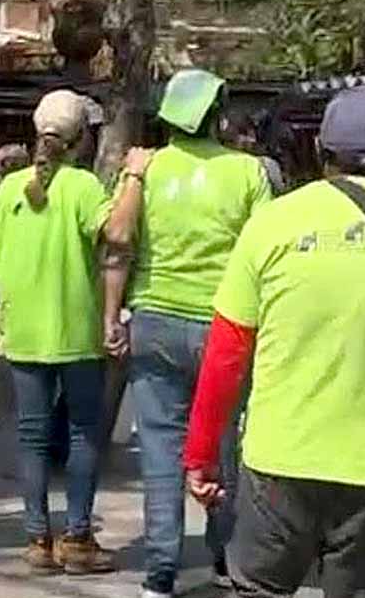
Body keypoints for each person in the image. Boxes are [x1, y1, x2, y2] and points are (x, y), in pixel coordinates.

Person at [184, 86, 365, 598]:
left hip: (279, 463)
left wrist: (201, 453)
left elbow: (226, 353)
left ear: (321, 152)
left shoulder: (274, 223)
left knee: (257, 589)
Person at [105, 70, 274, 598]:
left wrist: (112, 317)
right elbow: (265, 254)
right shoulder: (249, 173)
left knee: (159, 450)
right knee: (223, 448)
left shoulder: (144, 169)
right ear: (217, 115)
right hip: (225, 328)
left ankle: (160, 572)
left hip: (153, 321)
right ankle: (225, 559)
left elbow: (118, 245)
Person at [0, 90, 151, 576]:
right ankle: (77, 537)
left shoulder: (11, 187)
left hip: (25, 331)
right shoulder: (83, 187)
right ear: (82, 140)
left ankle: (37, 538)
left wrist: (10, 304)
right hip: (78, 333)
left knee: (32, 436)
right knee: (83, 434)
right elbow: (118, 236)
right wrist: (134, 180)